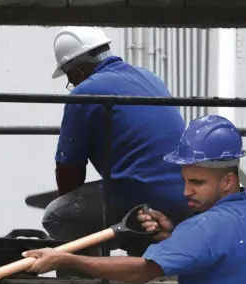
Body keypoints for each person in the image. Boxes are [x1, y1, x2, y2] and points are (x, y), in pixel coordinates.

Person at [23, 115, 246, 284]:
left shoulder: (205, 226)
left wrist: (67, 259)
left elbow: (142, 270)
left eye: (196, 182)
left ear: (228, 181)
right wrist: (174, 239)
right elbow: (221, 256)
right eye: (184, 180)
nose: (186, 192)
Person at [44, 26, 191, 257]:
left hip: (145, 197)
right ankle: (141, 251)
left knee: (56, 216)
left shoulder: (85, 91)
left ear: (79, 72)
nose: (73, 85)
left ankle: (89, 280)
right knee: (123, 191)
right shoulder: (149, 77)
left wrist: (66, 199)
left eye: (71, 79)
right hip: (186, 194)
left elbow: (69, 169)